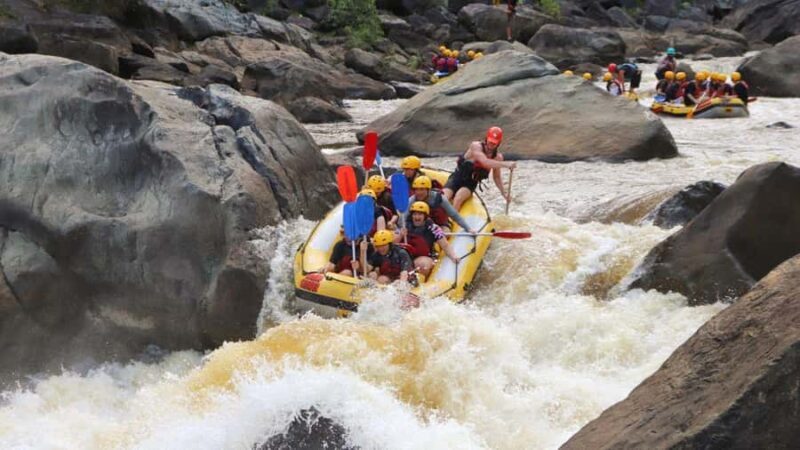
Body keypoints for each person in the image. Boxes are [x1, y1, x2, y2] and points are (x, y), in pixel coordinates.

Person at [443, 126, 516, 211]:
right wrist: (506, 164)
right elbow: (484, 161)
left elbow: (496, 177)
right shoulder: (476, 146)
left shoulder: (497, 157)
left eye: (494, 143)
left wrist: (504, 193)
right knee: (444, 198)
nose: (491, 145)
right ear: (486, 139)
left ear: (498, 143)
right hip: (457, 177)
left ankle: (452, 222)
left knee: (458, 199)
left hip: (470, 184)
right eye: (490, 142)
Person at [400, 202, 460, 278]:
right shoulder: (405, 225)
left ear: (425, 216)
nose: (417, 217)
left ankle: (422, 280)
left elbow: (445, 245)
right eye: (414, 214)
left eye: (420, 214)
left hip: (423, 257)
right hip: (405, 258)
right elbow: (392, 244)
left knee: (424, 265)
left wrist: (453, 256)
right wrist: (400, 235)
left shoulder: (434, 228)